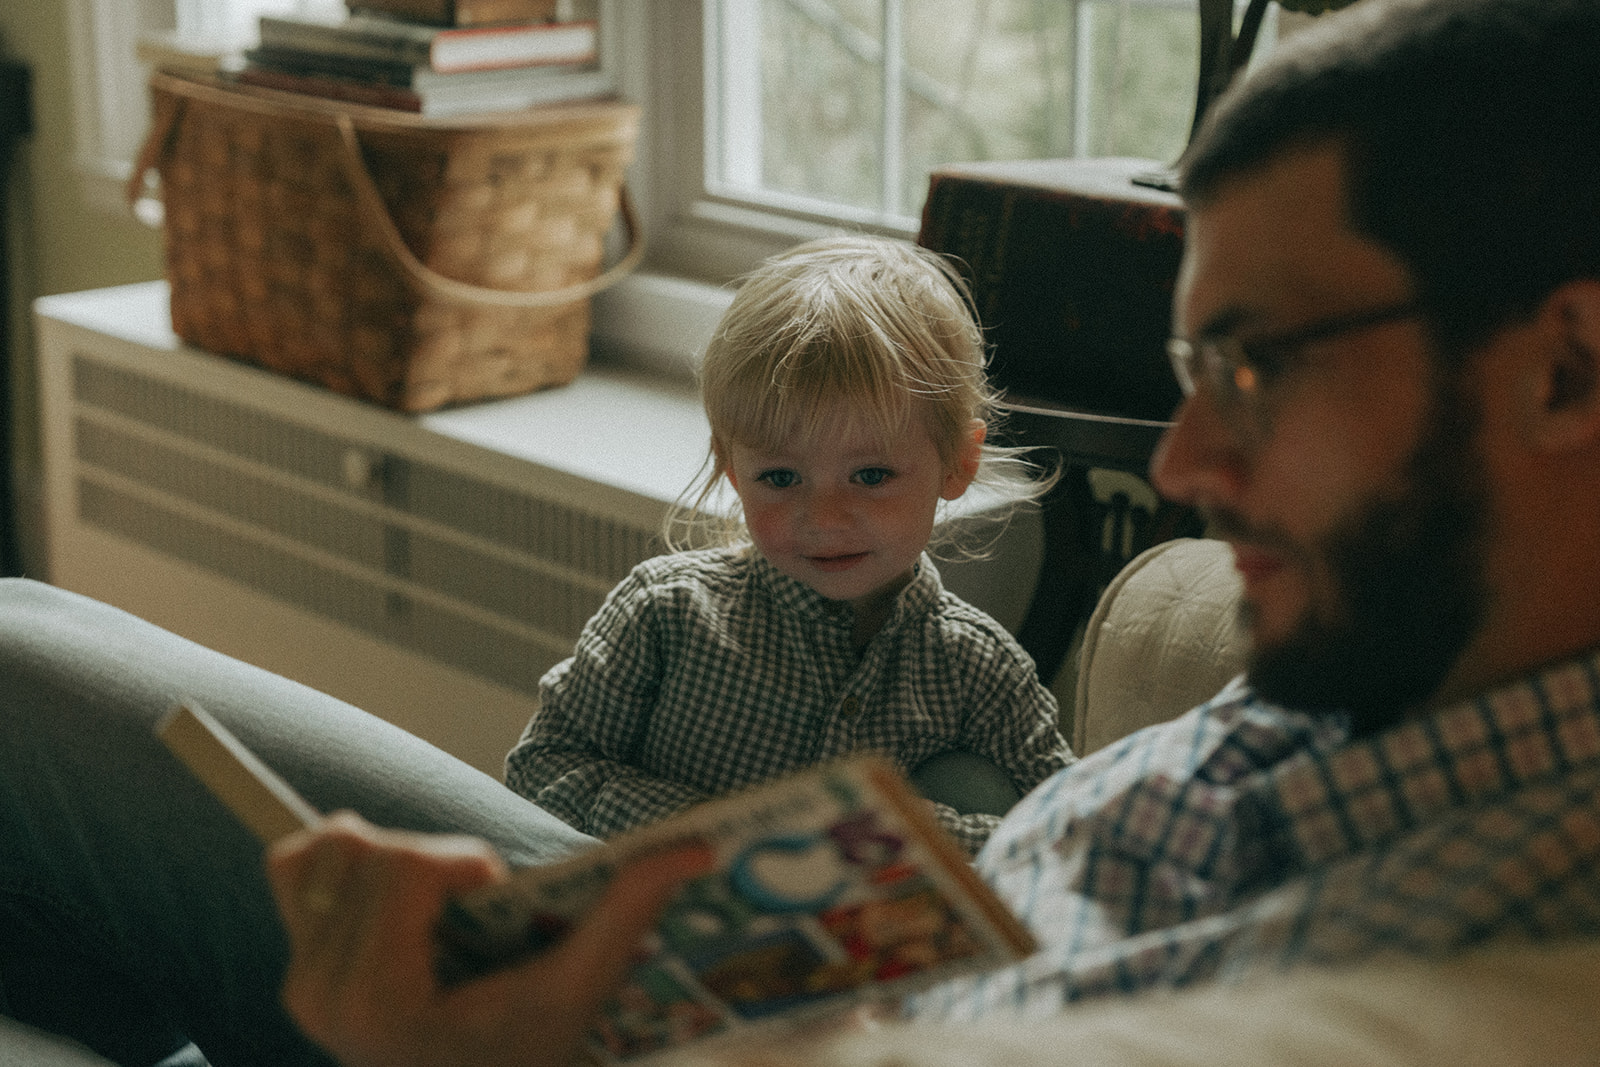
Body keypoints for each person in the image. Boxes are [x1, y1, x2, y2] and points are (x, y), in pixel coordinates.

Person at [4, 0, 1600, 1064]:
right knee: (37, 654)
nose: (1183, 461)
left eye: (1255, 362)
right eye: (1197, 370)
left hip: (705, 1013)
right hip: (739, 940)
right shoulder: (1375, 655)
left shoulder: (1518, 912)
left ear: (1566, 364)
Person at [505, 235, 1072, 855]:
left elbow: (1072, 831)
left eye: (871, 476)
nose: (824, 519)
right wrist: (721, 835)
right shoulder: (663, 613)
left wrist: (891, 839)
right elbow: (541, 768)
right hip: (652, 935)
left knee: (974, 786)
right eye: (780, 478)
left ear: (957, 464)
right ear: (731, 467)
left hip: (867, 947)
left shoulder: (979, 669)